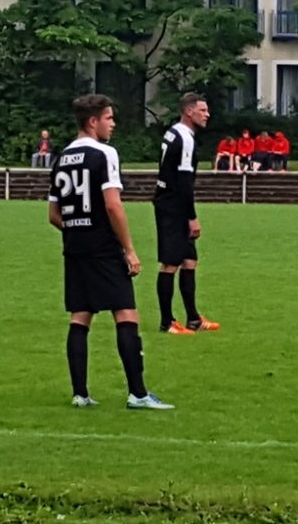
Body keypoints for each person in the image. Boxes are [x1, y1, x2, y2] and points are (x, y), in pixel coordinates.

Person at [48, 94, 172, 411]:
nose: (113, 124)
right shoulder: (105, 154)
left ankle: (80, 393)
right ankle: (138, 394)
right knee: (126, 312)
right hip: (103, 246)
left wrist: (77, 229)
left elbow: (53, 215)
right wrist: (129, 249)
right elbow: (113, 204)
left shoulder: (61, 158)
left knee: (80, 316)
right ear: (93, 121)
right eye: (109, 118)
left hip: (74, 246)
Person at [154, 93, 219, 335]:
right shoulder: (185, 138)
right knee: (170, 263)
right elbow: (183, 180)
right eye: (203, 110)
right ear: (189, 111)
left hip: (171, 201)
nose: (207, 114)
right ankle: (167, 322)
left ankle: (193, 318)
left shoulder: (173, 132)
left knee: (189, 259)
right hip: (172, 205)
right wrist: (191, 217)